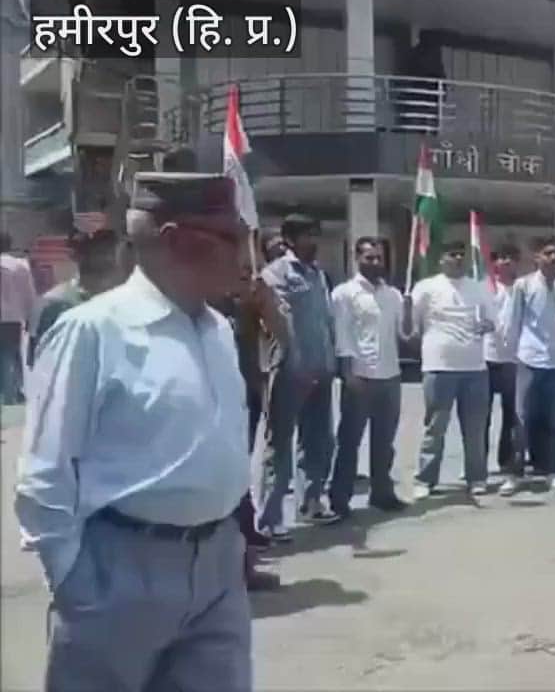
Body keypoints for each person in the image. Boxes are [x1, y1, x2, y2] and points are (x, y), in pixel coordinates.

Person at [15, 174, 253, 691]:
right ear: (174, 239)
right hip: (118, 568)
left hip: (217, 566)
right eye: (232, 238)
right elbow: (43, 471)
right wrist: (74, 581)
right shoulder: (93, 331)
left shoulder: (219, 331)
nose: (245, 256)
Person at [258, 213, 341, 539]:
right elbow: (280, 324)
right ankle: (270, 518)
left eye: (315, 234)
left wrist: (330, 361)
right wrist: (297, 363)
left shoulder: (319, 275)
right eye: (307, 235)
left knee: (319, 441)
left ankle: (311, 503)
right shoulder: (276, 274)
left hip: (321, 369)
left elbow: (325, 322)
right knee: (279, 447)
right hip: (291, 371)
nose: (314, 241)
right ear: (290, 240)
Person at [211, 254, 290, 592]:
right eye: (237, 273)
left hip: (244, 399)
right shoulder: (202, 306)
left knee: (237, 480)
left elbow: (283, 337)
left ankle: (243, 565)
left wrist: (265, 302)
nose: (242, 279)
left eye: (247, 273)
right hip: (206, 405)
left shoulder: (250, 303)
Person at [329, 237, 413, 516]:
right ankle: (340, 499)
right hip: (360, 376)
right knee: (350, 441)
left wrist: (411, 312)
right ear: (357, 258)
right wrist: (347, 372)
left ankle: (381, 493)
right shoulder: (344, 293)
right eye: (369, 258)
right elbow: (342, 335)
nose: (375, 263)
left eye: (379, 258)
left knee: (384, 441)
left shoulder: (393, 295)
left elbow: (405, 334)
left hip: (390, 376)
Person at [410, 239, 498, 496]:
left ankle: (476, 477)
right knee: (435, 426)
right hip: (439, 366)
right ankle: (425, 479)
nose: (458, 259)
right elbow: (412, 326)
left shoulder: (478, 287)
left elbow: (493, 320)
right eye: (452, 254)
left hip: (475, 368)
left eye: (462, 255)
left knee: (475, 427)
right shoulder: (426, 287)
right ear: (441, 259)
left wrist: (487, 326)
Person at [502, 237, 555, 496]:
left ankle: (554, 472)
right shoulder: (524, 285)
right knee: (521, 419)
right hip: (529, 360)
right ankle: (515, 473)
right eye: (547, 253)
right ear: (537, 257)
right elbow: (514, 322)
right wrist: (512, 357)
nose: (553, 258)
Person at [27, 229, 128, 365]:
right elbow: (41, 363)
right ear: (76, 255)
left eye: (109, 250)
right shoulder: (56, 303)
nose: (107, 257)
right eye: (98, 251)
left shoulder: (127, 301)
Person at [485, 245, 522, 492]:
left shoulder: (522, 289)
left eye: (509, 257)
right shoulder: (485, 288)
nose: (505, 262)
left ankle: (509, 465)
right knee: (481, 417)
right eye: (500, 257)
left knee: (513, 417)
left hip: (514, 359)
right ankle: (476, 468)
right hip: (485, 358)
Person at [0, 230, 37, 403]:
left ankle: (10, 391)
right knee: (10, 354)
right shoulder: (19, 266)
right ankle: (10, 393)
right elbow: (28, 293)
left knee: (7, 356)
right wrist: (31, 316)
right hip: (12, 318)